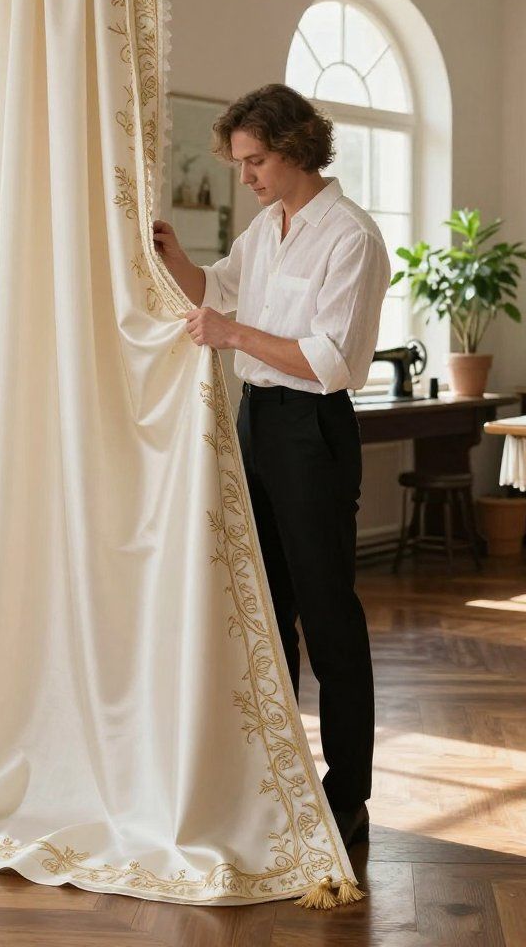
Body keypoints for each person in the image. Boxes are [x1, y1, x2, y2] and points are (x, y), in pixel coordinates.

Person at [152, 83, 390, 849]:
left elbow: (328, 362)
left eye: (254, 161)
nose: (246, 176)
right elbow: (217, 291)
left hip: (313, 432)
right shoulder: (267, 229)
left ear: (293, 148)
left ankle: (347, 795)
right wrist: (176, 260)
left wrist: (234, 334)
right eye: (241, 163)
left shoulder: (351, 237)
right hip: (256, 424)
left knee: (329, 620)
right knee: (267, 610)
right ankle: (284, 779)